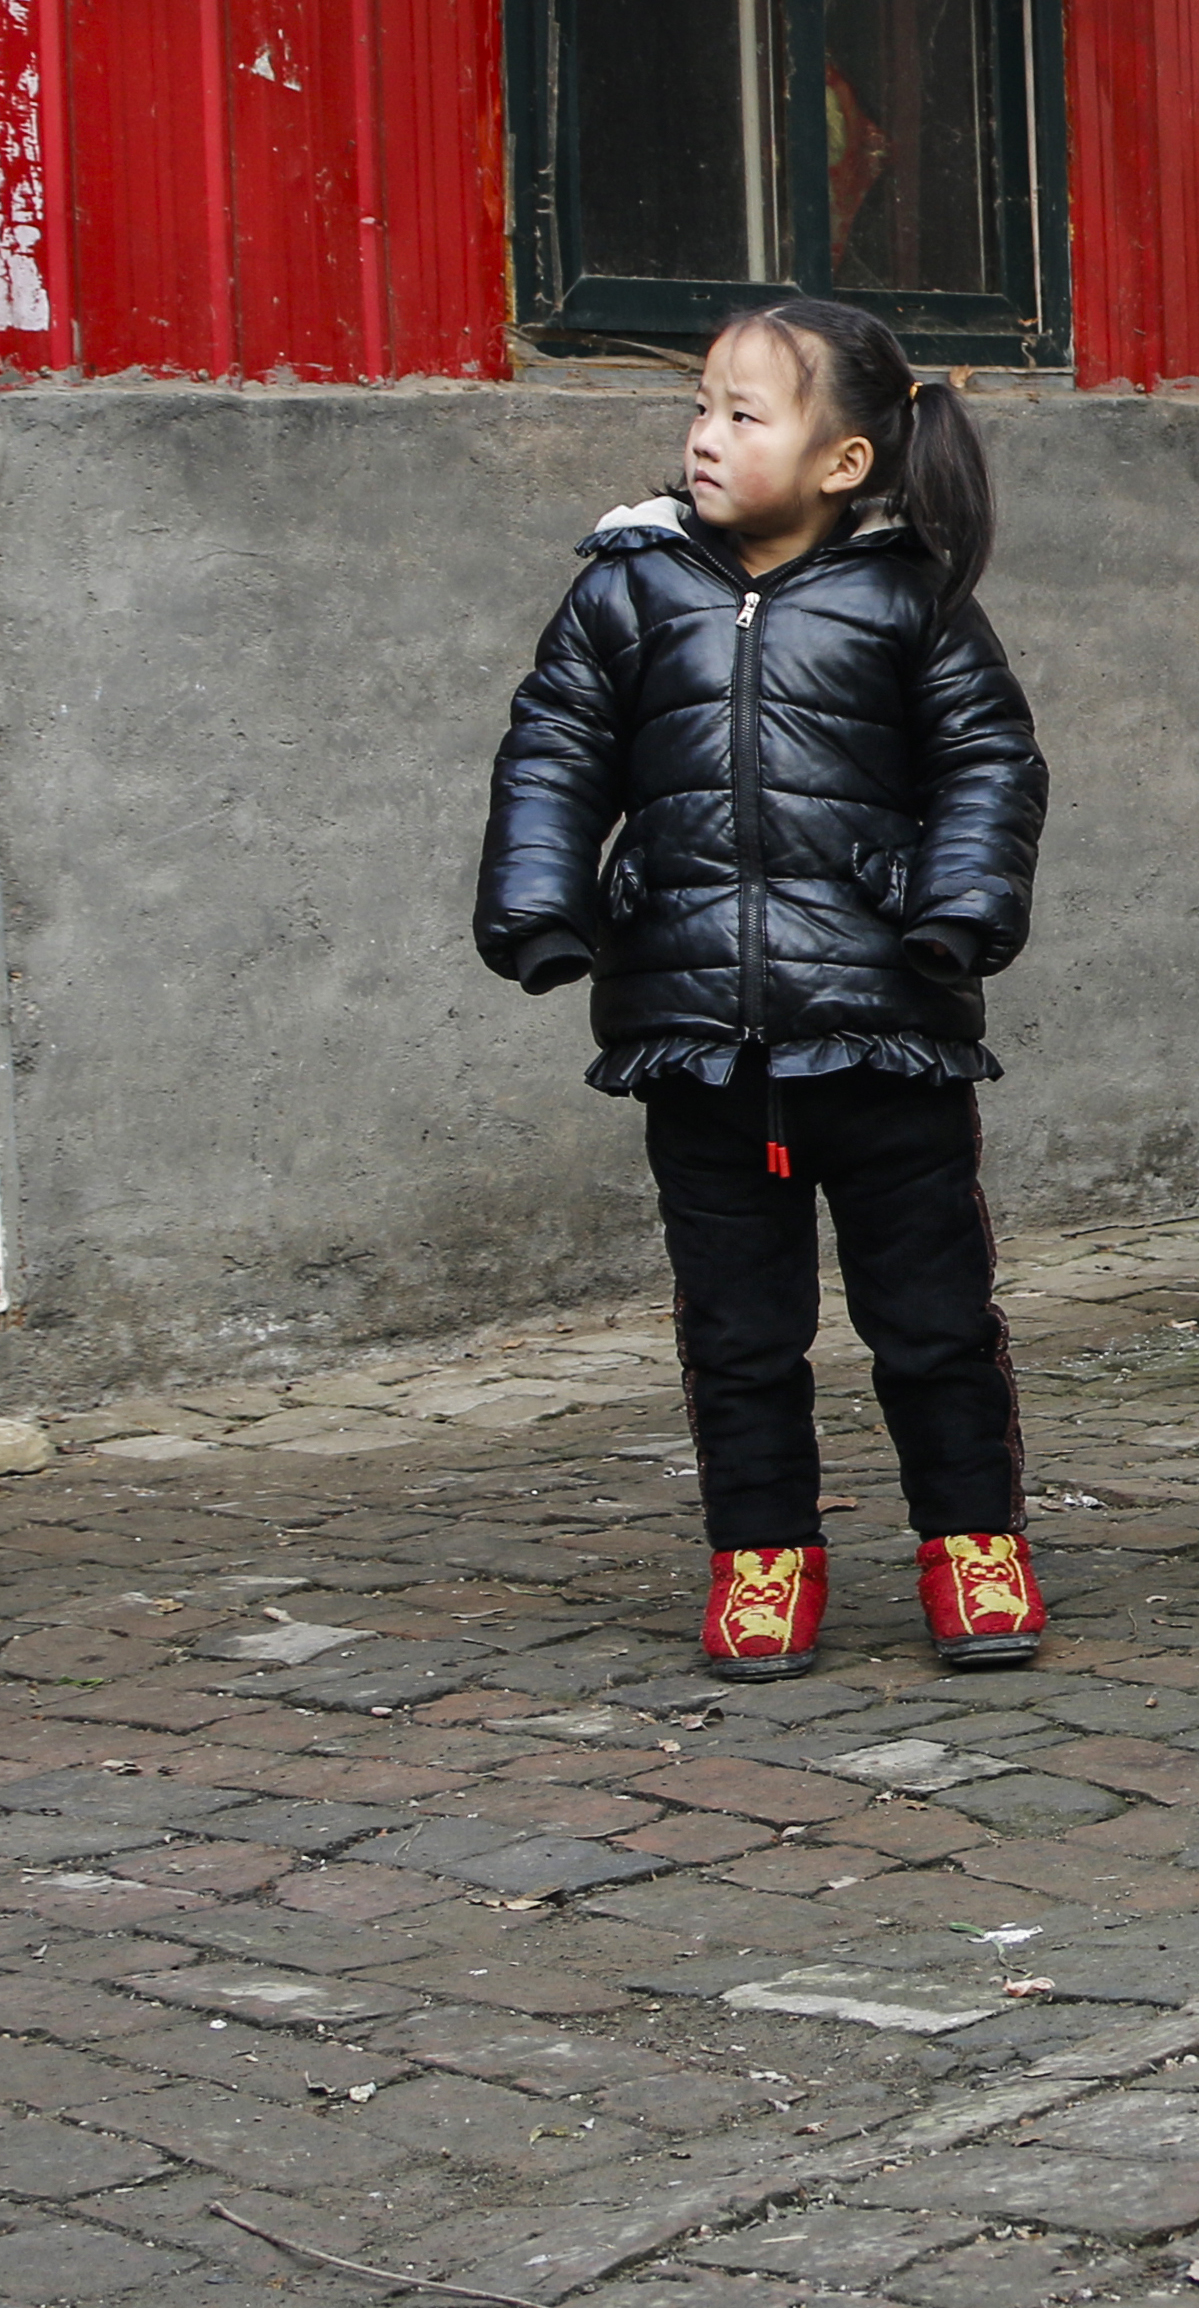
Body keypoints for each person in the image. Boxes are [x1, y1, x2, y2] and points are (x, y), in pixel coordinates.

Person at [472, 299, 1053, 1676]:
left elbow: (991, 765)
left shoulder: (909, 596)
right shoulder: (627, 586)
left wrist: (956, 914)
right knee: (737, 1328)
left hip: (884, 1032)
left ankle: (973, 1540)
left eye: (747, 413)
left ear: (843, 460)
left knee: (931, 1319)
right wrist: (542, 906)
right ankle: (762, 1555)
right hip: (693, 1040)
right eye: (700, 408)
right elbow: (553, 752)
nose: (707, 437)